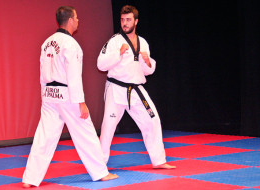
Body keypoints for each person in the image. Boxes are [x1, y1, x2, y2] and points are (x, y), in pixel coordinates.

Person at [22, 6, 118, 188]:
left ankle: (30, 179)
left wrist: (44, 94)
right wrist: (81, 102)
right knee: (86, 133)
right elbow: (74, 76)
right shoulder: (72, 45)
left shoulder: (47, 42)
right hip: (67, 95)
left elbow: (42, 72)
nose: (78, 21)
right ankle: (101, 172)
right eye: (77, 17)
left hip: (49, 93)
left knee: (44, 137)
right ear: (70, 20)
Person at [97, 5, 176, 170]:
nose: (125, 23)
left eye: (128, 20)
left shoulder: (143, 43)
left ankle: (159, 160)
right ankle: (98, 165)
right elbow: (100, 65)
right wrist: (117, 53)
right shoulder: (114, 41)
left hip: (136, 90)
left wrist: (147, 62)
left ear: (136, 21)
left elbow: (146, 71)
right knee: (108, 127)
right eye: (122, 20)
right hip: (116, 89)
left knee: (152, 120)